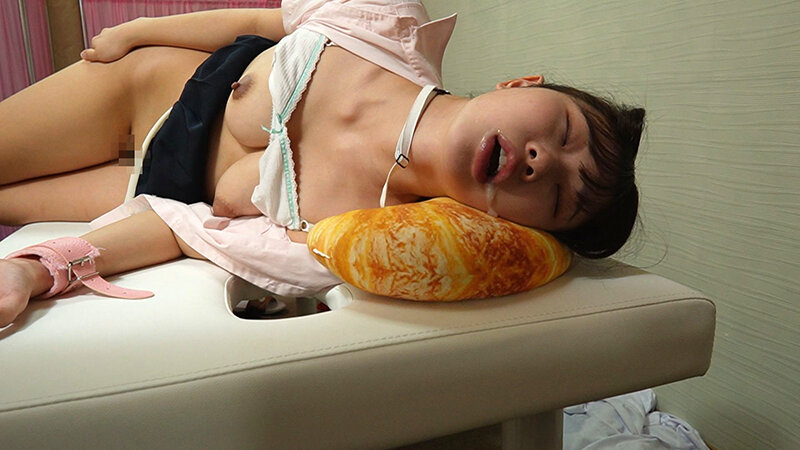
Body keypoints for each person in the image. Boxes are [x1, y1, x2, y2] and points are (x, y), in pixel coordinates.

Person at [0, 0, 645, 327]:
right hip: (136, 90)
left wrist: (37, 270)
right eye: (564, 132)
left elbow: (184, 229)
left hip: (141, 186)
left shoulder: (354, 233)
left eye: (556, 195)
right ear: (522, 83)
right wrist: (139, 31)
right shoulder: (389, 22)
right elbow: (264, 19)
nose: (540, 161)